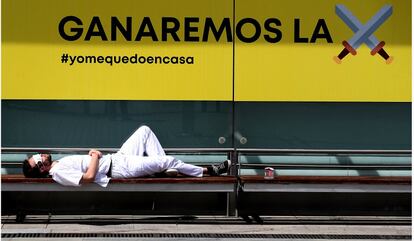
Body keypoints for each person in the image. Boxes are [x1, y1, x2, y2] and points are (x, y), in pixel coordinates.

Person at [22, 125, 231, 187]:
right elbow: (87, 179)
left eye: (36, 155)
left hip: (119, 158)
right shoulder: (58, 172)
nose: (40, 155)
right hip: (120, 168)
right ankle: (208, 170)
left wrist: (93, 156)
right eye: (38, 159)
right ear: (41, 168)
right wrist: (94, 156)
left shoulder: (57, 164)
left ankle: (161, 169)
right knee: (167, 160)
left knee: (144, 131)